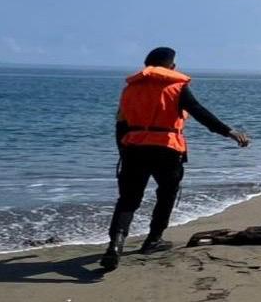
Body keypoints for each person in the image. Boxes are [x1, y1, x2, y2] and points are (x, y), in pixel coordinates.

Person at [100, 47, 250, 270]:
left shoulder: (130, 89)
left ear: (147, 66)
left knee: (128, 199)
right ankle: (153, 240)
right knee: (167, 194)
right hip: (167, 148)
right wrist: (229, 132)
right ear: (172, 66)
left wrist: (123, 151)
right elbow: (199, 112)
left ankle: (115, 245)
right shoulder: (177, 86)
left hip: (134, 149)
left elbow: (120, 124)